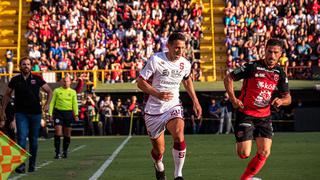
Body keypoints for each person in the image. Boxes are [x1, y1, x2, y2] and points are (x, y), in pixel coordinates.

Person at [137, 32, 202, 180]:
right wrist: (157, 94)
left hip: (172, 106)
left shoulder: (185, 63)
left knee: (179, 134)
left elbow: (187, 80)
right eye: (177, 48)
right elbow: (140, 82)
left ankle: (178, 174)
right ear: (168, 46)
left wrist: (195, 101)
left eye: (183, 48)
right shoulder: (156, 59)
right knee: (159, 150)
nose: (180, 51)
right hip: (153, 110)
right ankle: (158, 164)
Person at [224, 38, 292, 180]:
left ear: (280, 54)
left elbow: (288, 98)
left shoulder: (280, 73)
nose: (272, 55)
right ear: (264, 51)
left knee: (265, 152)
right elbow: (229, 78)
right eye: (269, 51)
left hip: (264, 117)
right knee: (244, 154)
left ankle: (246, 179)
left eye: (275, 53)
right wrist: (233, 99)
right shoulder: (252, 67)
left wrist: (281, 100)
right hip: (246, 114)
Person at [0, 57, 52, 173]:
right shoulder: (15, 80)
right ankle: (21, 165)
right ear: (20, 66)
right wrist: (2, 111)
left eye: (28, 64)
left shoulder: (37, 79)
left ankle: (32, 164)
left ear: (31, 66)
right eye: (24, 64)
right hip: (21, 114)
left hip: (35, 114)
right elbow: (7, 95)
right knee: (21, 139)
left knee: (33, 140)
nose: (26, 66)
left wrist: (47, 104)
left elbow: (49, 91)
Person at [49, 76, 79, 159]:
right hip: (58, 113)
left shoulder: (73, 92)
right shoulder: (57, 91)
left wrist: (76, 114)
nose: (66, 83)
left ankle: (65, 151)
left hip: (68, 114)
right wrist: (50, 114)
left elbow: (75, 104)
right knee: (58, 132)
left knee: (67, 134)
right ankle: (57, 152)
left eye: (67, 81)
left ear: (70, 82)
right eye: (64, 81)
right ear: (61, 82)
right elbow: (52, 103)